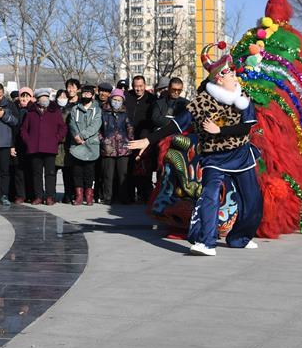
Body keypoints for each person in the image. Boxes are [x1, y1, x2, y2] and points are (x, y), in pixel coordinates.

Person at [129, 42, 263, 256]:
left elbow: (247, 127)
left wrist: (220, 130)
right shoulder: (201, 102)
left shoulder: (243, 99)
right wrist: (149, 140)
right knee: (209, 196)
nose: (235, 77)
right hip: (214, 158)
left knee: (253, 199)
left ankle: (240, 238)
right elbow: (176, 125)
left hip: (241, 155)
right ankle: (206, 242)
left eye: (234, 74)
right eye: (230, 75)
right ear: (219, 78)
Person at [21, 89, 67, 205]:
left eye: (46, 97)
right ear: (37, 100)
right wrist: (28, 141)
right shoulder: (31, 112)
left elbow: (62, 127)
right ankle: (38, 196)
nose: (45, 100)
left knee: (50, 173)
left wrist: (57, 139)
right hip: (34, 148)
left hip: (50, 148)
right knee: (36, 174)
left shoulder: (55, 111)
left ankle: (50, 196)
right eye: (42, 98)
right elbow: (24, 129)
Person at [67, 85, 101, 205]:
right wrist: (76, 136)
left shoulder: (97, 110)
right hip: (76, 145)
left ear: (92, 96)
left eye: (88, 94)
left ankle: (89, 195)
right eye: (84, 93)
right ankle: (79, 196)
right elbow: (72, 123)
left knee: (89, 172)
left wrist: (82, 136)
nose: (86, 95)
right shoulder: (75, 109)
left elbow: (95, 126)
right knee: (77, 172)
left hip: (91, 145)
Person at [100, 88, 134, 204]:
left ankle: (123, 197)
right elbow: (99, 130)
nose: (117, 102)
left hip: (123, 148)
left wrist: (129, 141)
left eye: (119, 100)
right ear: (110, 99)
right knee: (108, 175)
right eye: (115, 99)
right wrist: (103, 141)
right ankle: (108, 197)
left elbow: (130, 128)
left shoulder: (125, 113)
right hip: (108, 148)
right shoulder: (104, 112)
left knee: (123, 174)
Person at [126, 75, 156, 204]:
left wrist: (147, 137)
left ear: (145, 86)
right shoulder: (127, 97)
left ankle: (145, 195)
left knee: (144, 169)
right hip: (128, 137)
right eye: (135, 86)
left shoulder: (152, 99)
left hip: (144, 138)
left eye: (140, 86)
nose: (138, 89)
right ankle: (129, 195)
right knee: (129, 168)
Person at [11, 87, 34, 203]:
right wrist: (11, 145)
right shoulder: (14, 109)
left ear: (31, 98)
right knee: (18, 171)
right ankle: (20, 194)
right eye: (22, 96)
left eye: (27, 96)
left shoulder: (34, 110)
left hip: (31, 145)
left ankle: (31, 194)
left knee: (31, 170)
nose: (24, 99)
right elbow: (11, 129)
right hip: (17, 144)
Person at [55, 89, 74, 202]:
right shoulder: (52, 109)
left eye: (64, 96)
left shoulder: (72, 109)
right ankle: (51, 194)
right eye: (60, 96)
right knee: (52, 171)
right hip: (55, 144)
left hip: (68, 143)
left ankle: (68, 195)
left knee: (68, 172)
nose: (62, 99)